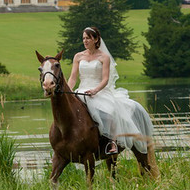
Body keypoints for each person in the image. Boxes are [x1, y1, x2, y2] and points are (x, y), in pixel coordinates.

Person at [65, 26, 154, 155]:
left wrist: (95, 90)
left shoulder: (104, 57)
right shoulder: (78, 56)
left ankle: (111, 142)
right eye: (83, 38)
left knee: (109, 111)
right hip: (81, 90)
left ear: (95, 39)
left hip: (99, 90)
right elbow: (73, 77)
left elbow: (105, 79)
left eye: (88, 38)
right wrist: (69, 91)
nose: (85, 41)